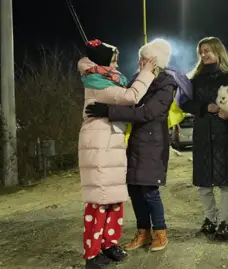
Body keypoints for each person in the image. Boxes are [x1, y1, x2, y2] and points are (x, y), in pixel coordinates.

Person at [85, 38, 176, 253]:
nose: (139, 62)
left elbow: (146, 112)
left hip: (153, 144)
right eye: (139, 57)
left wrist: (109, 111)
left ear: (155, 61)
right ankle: (142, 232)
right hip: (134, 142)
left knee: (149, 190)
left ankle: (160, 232)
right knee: (135, 189)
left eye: (144, 58)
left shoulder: (166, 83)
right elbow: (124, 98)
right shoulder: (137, 79)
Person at [77, 39, 157, 269]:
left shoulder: (108, 78)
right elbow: (131, 97)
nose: (116, 63)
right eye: (113, 59)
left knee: (113, 197)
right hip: (99, 145)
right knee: (99, 200)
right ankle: (92, 254)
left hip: (111, 143)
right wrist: (146, 72)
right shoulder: (97, 81)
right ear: (102, 60)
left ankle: (109, 243)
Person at [180, 37, 228, 241]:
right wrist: (205, 107)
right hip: (203, 135)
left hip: (223, 134)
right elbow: (184, 103)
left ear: (218, 52)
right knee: (204, 183)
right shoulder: (194, 78)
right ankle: (210, 219)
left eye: (208, 51)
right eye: (201, 51)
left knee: (225, 184)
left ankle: (223, 222)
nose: (204, 54)